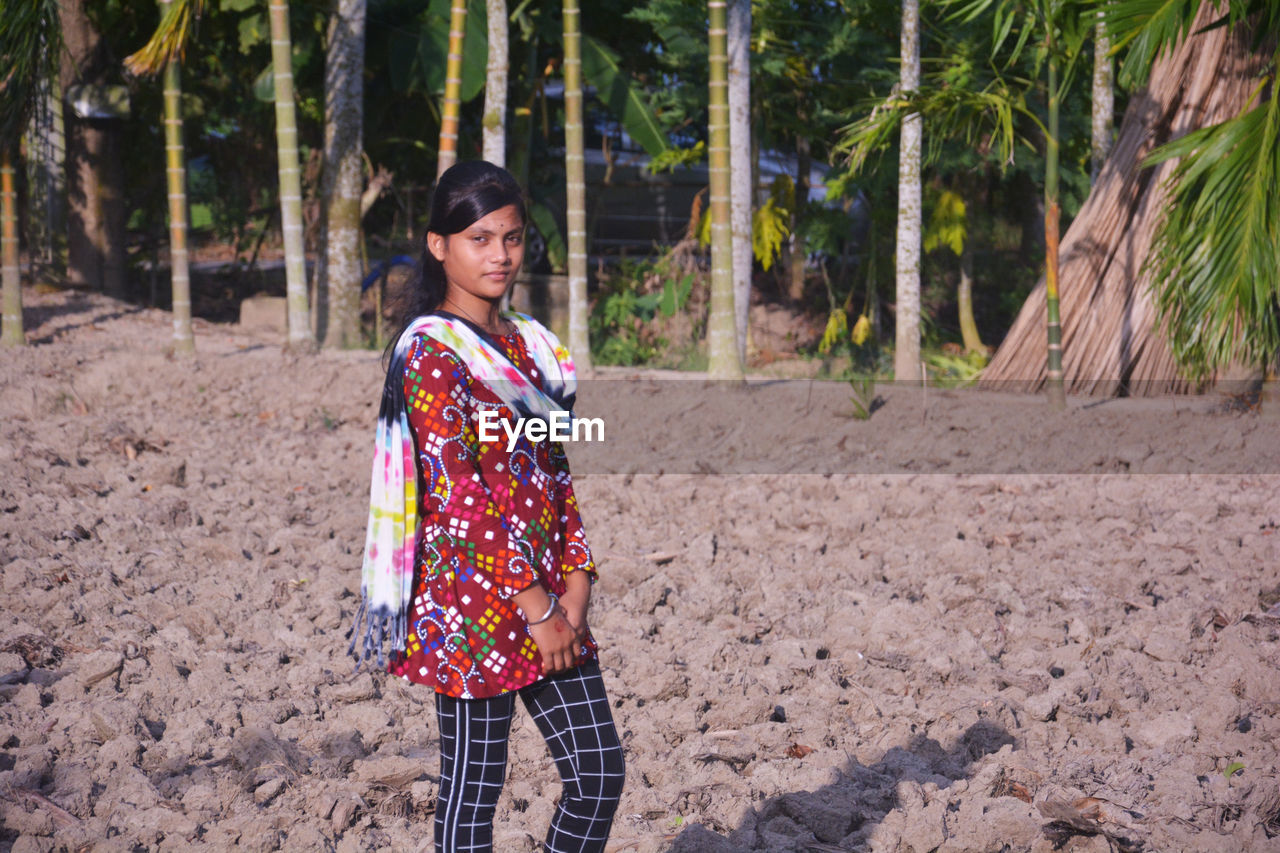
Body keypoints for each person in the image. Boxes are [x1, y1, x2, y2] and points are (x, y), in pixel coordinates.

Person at [349, 161, 625, 852]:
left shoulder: (532, 348)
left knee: (598, 772)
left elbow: (553, 477)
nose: (499, 254)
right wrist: (537, 606)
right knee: (475, 789)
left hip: (552, 600)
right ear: (439, 245)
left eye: (510, 237)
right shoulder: (431, 355)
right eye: (480, 238)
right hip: (473, 605)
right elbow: (460, 496)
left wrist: (578, 581)